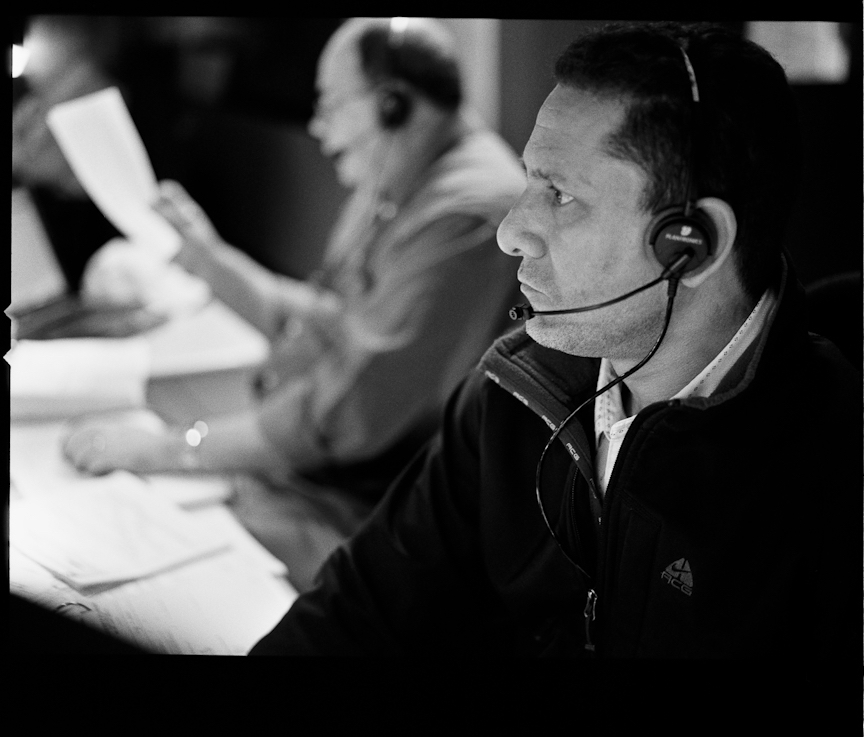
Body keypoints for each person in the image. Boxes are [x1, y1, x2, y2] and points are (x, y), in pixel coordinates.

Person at [249, 21, 860, 657]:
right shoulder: (515, 392)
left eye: (561, 195)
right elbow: (361, 609)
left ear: (691, 244)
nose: (511, 229)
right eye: (530, 181)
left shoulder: (830, 488)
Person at [62, 17, 524, 589]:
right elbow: (321, 322)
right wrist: (206, 257)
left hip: (361, 512)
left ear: (392, 105)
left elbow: (348, 411)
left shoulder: (468, 214)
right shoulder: (395, 179)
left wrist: (171, 447)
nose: (318, 127)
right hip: (314, 475)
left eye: (330, 105)